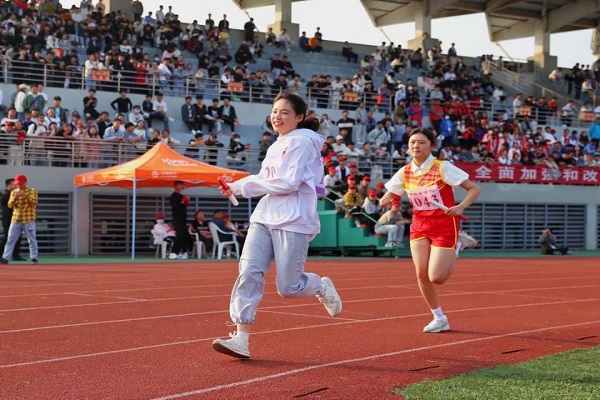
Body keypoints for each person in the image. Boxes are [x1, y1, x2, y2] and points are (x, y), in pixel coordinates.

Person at [212, 92, 342, 359]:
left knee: (289, 288)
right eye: (274, 111)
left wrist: (245, 186)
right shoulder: (277, 144)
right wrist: (236, 186)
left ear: (299, 117)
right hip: (265, 216)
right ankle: (241, 338)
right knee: (248, 271)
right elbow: (265, 177)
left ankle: (320, 286)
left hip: (293, 218)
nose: (277, 117)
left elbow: (288, 183)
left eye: (284, 112)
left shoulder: (303, 141)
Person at [380, 128, 480, 333]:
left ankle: (458, 243)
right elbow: (393, 191)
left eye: (421, 142)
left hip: (444, 224)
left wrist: (461, 207)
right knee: (421, 273)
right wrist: (387, 197)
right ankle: (439, 317)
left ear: (432, 145)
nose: (416, 146)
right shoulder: (405, 171)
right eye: (412, 142)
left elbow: (474, 189)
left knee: (437, 277)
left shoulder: (443, 167)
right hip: (420, 225)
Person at [1, 174, 39, 265]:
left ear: (25, 182)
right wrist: (15, 198)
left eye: (21, 184)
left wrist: (25, 195)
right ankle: (5, 257)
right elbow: (10, 205)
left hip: (28, 219)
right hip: (16, 219)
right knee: (10, 239)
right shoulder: (14, 192)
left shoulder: (32, 191)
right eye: (17, 184)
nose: (19, 186)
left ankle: (34, 257)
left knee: (31, 239)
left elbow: (34, 202)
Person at [1, 178, 23, 261]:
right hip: (7, 219)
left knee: (18, 236)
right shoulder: (6, 194)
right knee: (8, 237)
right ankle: (2, 254)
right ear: (9, 185)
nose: (16, 185)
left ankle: (15, 254)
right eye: (14, 184)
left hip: (15, 218)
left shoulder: (12, 193)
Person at [168, 181, 190, 260]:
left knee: (184, 236)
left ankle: (183, 252)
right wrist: (182, 202)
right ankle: (173, 252)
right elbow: (174, 206)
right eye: (179, 185)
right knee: (179, 235)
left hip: (183, 218)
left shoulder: (182, 196)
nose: (180, 186)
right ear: (175, 186)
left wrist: (186, 201)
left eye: (181, 185)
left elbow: (185, 205)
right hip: (177, 218)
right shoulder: (173, 196)